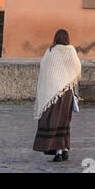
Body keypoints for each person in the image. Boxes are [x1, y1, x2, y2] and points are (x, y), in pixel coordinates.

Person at [33, 29, 82, 162]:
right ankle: (63, 149)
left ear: (56, 38)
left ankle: (59, 152)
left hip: (51, 92)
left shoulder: (50, 51)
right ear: (67, 38)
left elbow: (43, 68)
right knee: (64, 121)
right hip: (65, 93)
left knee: (52, 120)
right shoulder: (70, 50)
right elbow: (77, 68)